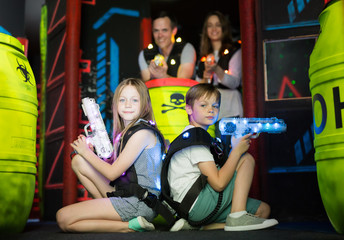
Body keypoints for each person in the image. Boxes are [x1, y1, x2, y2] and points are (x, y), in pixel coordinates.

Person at [56, 78, 165, 233]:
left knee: (63, 218)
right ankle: (107, 213)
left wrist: (87, 153)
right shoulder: (125, 133)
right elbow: (117, 173)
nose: (128, 104)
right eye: (122, 100)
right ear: (116, 104)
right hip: (126, 194)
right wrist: (91, 153)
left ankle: (130, 226)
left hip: (139, 203)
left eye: (134, 100)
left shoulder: (142, 133)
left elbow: (112, 172)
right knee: (79, 162)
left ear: (145, 105)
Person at [167, 84, 278, 231]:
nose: (211, 109)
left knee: (263, 210)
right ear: (188, 108)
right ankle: (237, 217)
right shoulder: (196, 139)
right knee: (246, 159)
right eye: (203, 105)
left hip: (195, 206)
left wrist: (234, 146)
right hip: (195, 204)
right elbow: (218, 183)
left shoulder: (202, 138)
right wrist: (237, 151)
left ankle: (202, 227)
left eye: (215, 106)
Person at [196, 11, 243, 155]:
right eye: (210, 25)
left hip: (230, 110)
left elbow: (234, 82)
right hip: (209, 113)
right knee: (214, 154)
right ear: (206, 30)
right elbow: (198, 88)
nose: (214, 29)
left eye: (217, 25)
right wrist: (206, 77)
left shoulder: (234, 51)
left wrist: (217, 69)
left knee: (231, 153)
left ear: (224, 28)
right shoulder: (203, 56)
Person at [138, 11, 196, 81]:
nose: (160, 35)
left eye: (164, 30)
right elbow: (146, 86)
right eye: (156, 31)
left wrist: (163, 76)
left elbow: (184, 83)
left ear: (174, 30)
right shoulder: (145, 54)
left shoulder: (186, 49)